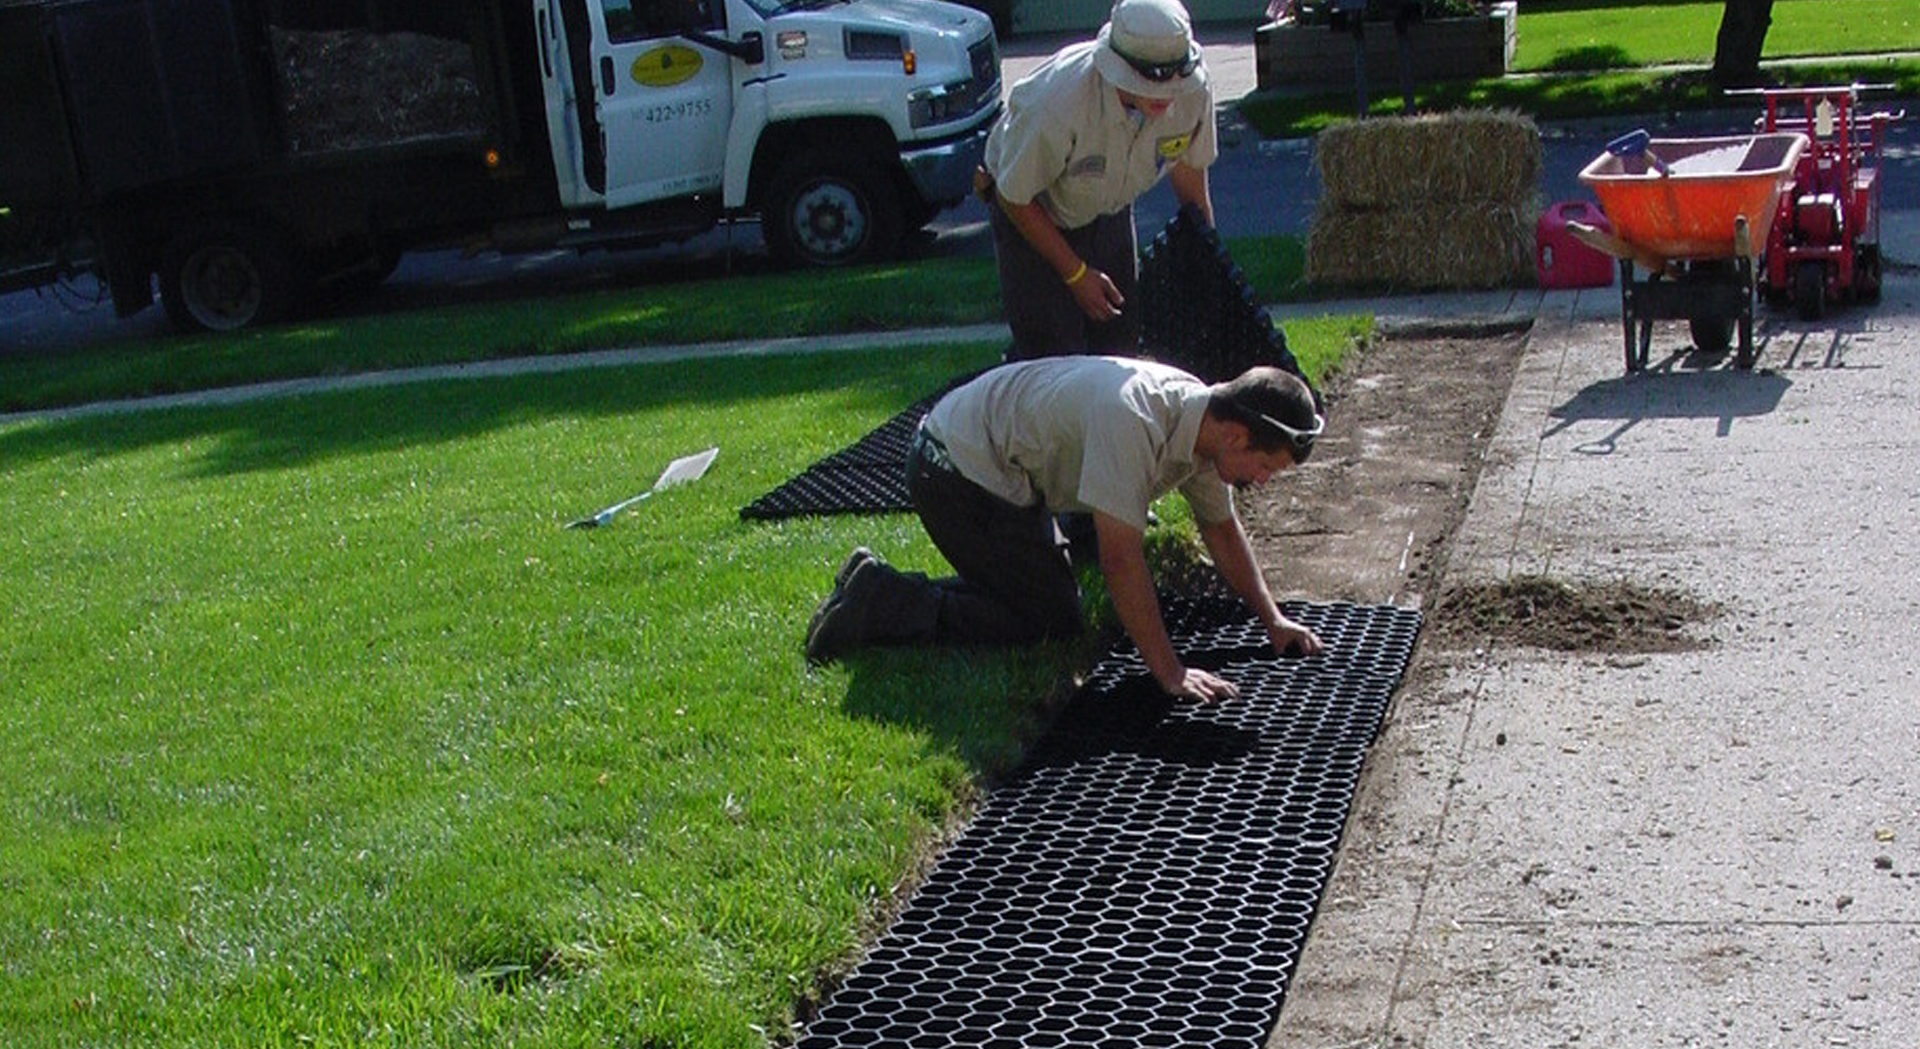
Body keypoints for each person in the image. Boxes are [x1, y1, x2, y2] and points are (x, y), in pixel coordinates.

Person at [803, 357, 1325, 701]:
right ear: (1237, 435)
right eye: (1267, 467)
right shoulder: (1137, 417)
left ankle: (872, 586)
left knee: (1045, 600)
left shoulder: (1205, 433)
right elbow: (1121, 558)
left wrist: (1272, 620)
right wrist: (1170, 672)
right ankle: (878, 598)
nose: (1262, 481)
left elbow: (1221, 530)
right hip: (954, 470)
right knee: (1046, 617)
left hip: (1009, 477)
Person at [979, 0, 1218, 361]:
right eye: (1153, 81)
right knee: (1055, 361)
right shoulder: (1057, 103)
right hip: (1031, 214)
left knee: (1120, 348)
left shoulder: (1193, 94)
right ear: (1119, 69)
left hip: (1109, 209)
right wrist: (1076, 275)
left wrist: (1208, 262)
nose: (1167, 93)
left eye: (1176, 79)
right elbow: (1014, 196)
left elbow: (1190, 183)